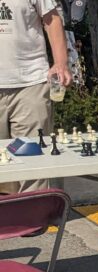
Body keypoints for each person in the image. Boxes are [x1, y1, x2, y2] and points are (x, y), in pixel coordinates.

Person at [0, 0, 71, 193]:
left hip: (30, 84)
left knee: (32, 158)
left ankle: (32, 217)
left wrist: (61, 63)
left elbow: (52, 19)